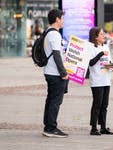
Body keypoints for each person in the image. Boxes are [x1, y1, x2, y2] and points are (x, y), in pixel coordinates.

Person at [42, 9, 69, 138]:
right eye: (62, 18)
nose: (63, 21)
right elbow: (57, 55)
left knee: (51, 99)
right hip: (55, 73)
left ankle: (48, 125)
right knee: (55, 101)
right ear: (57, 19)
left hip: (50, 71)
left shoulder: (49, 32)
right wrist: (63, 73)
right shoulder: (55, 34)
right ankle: (51, 127)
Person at [88, 27, 113, 136]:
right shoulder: (91, 47)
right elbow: (91, 63)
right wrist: (100, 54)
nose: (104, 36)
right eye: (102, 34)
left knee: (104, 104)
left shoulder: (106, 46)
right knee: (97, 104)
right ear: (96, 36)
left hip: (106, 80)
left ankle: (103, 127)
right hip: (97, 80)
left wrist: (111, 65)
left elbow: (109, 61)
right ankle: (93, 128)